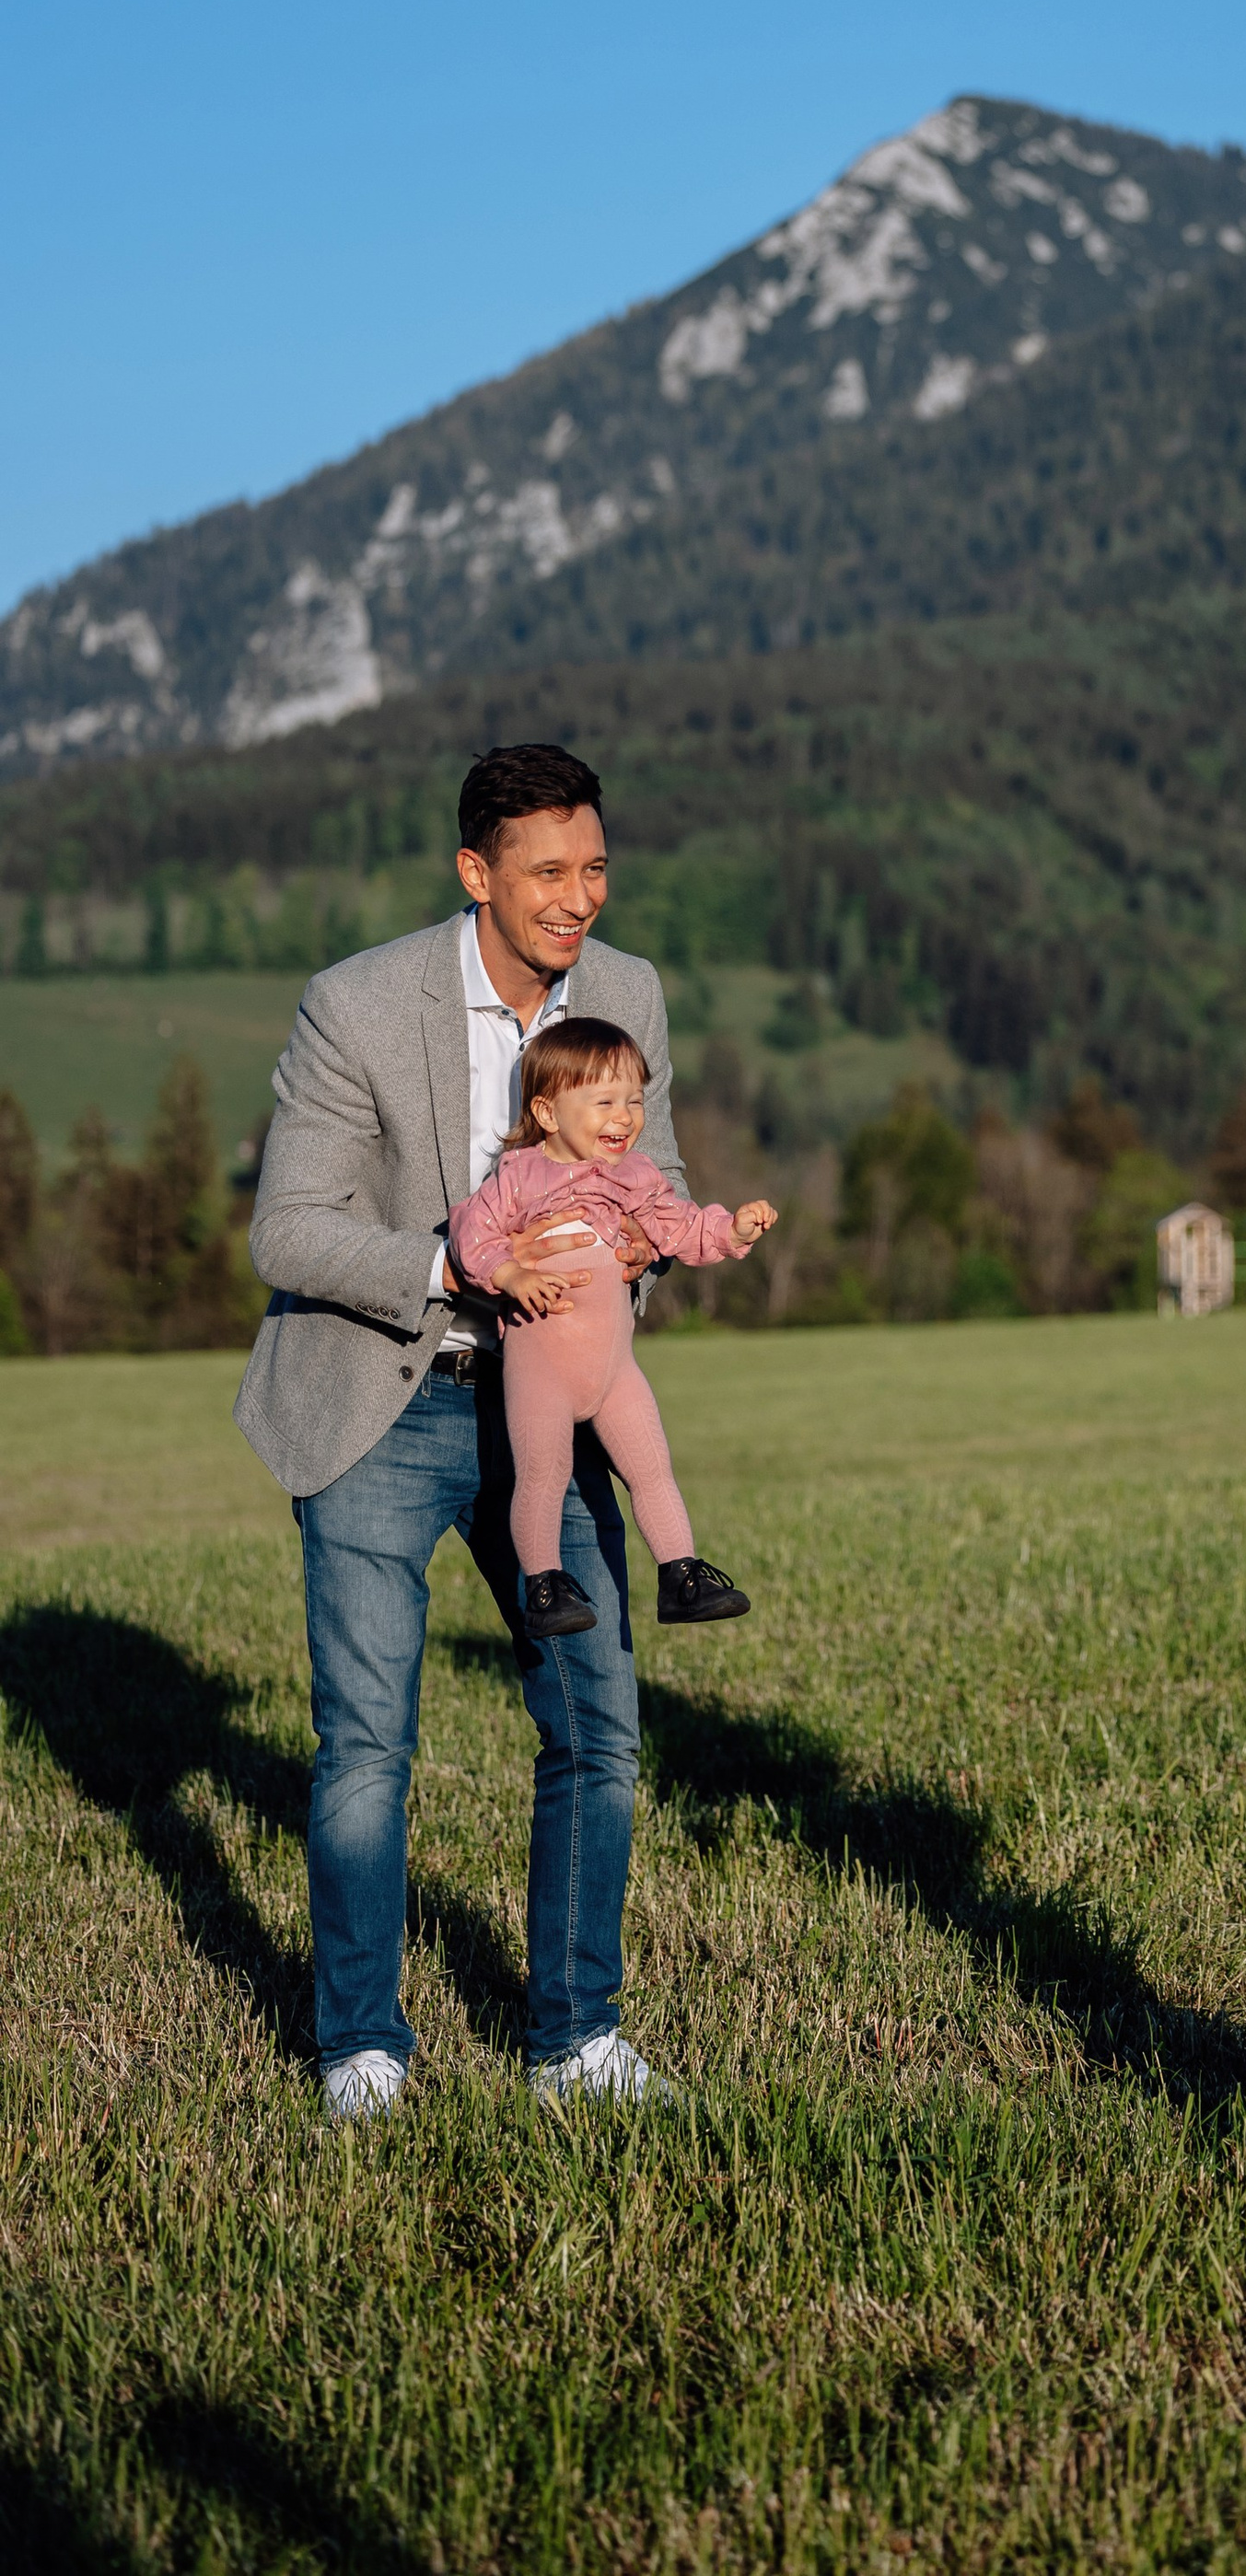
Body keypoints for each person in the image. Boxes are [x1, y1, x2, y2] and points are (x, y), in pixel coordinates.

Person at [238, 741, 691, 2121]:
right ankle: (362, 2044)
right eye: (549, 871)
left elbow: (657, 1182)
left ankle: (576, 2035)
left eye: (596, 866)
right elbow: (290, 1229)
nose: (579, 897)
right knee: (369, 1742)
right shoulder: (358, 1005)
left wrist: (644, 1250)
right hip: (384, 1399)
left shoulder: (628, 997)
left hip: (547, 1410)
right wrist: (464, 1266)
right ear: (475, 872)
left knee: (599, 1724)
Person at [451, 1015, 774, 1638]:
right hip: (540, 1367)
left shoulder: (637, 1179)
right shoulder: (519, 1177)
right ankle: (543, 1585)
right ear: (547, 1112)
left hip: (613, 1370)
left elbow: (679, 1227)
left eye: (633, 1100)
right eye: (603, 1102)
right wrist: (510, 1276)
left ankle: (681, 1575)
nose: (624, 1116)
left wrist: (730, 1231)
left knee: (652, 1468)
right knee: (541, 1475)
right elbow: (472, 1237)